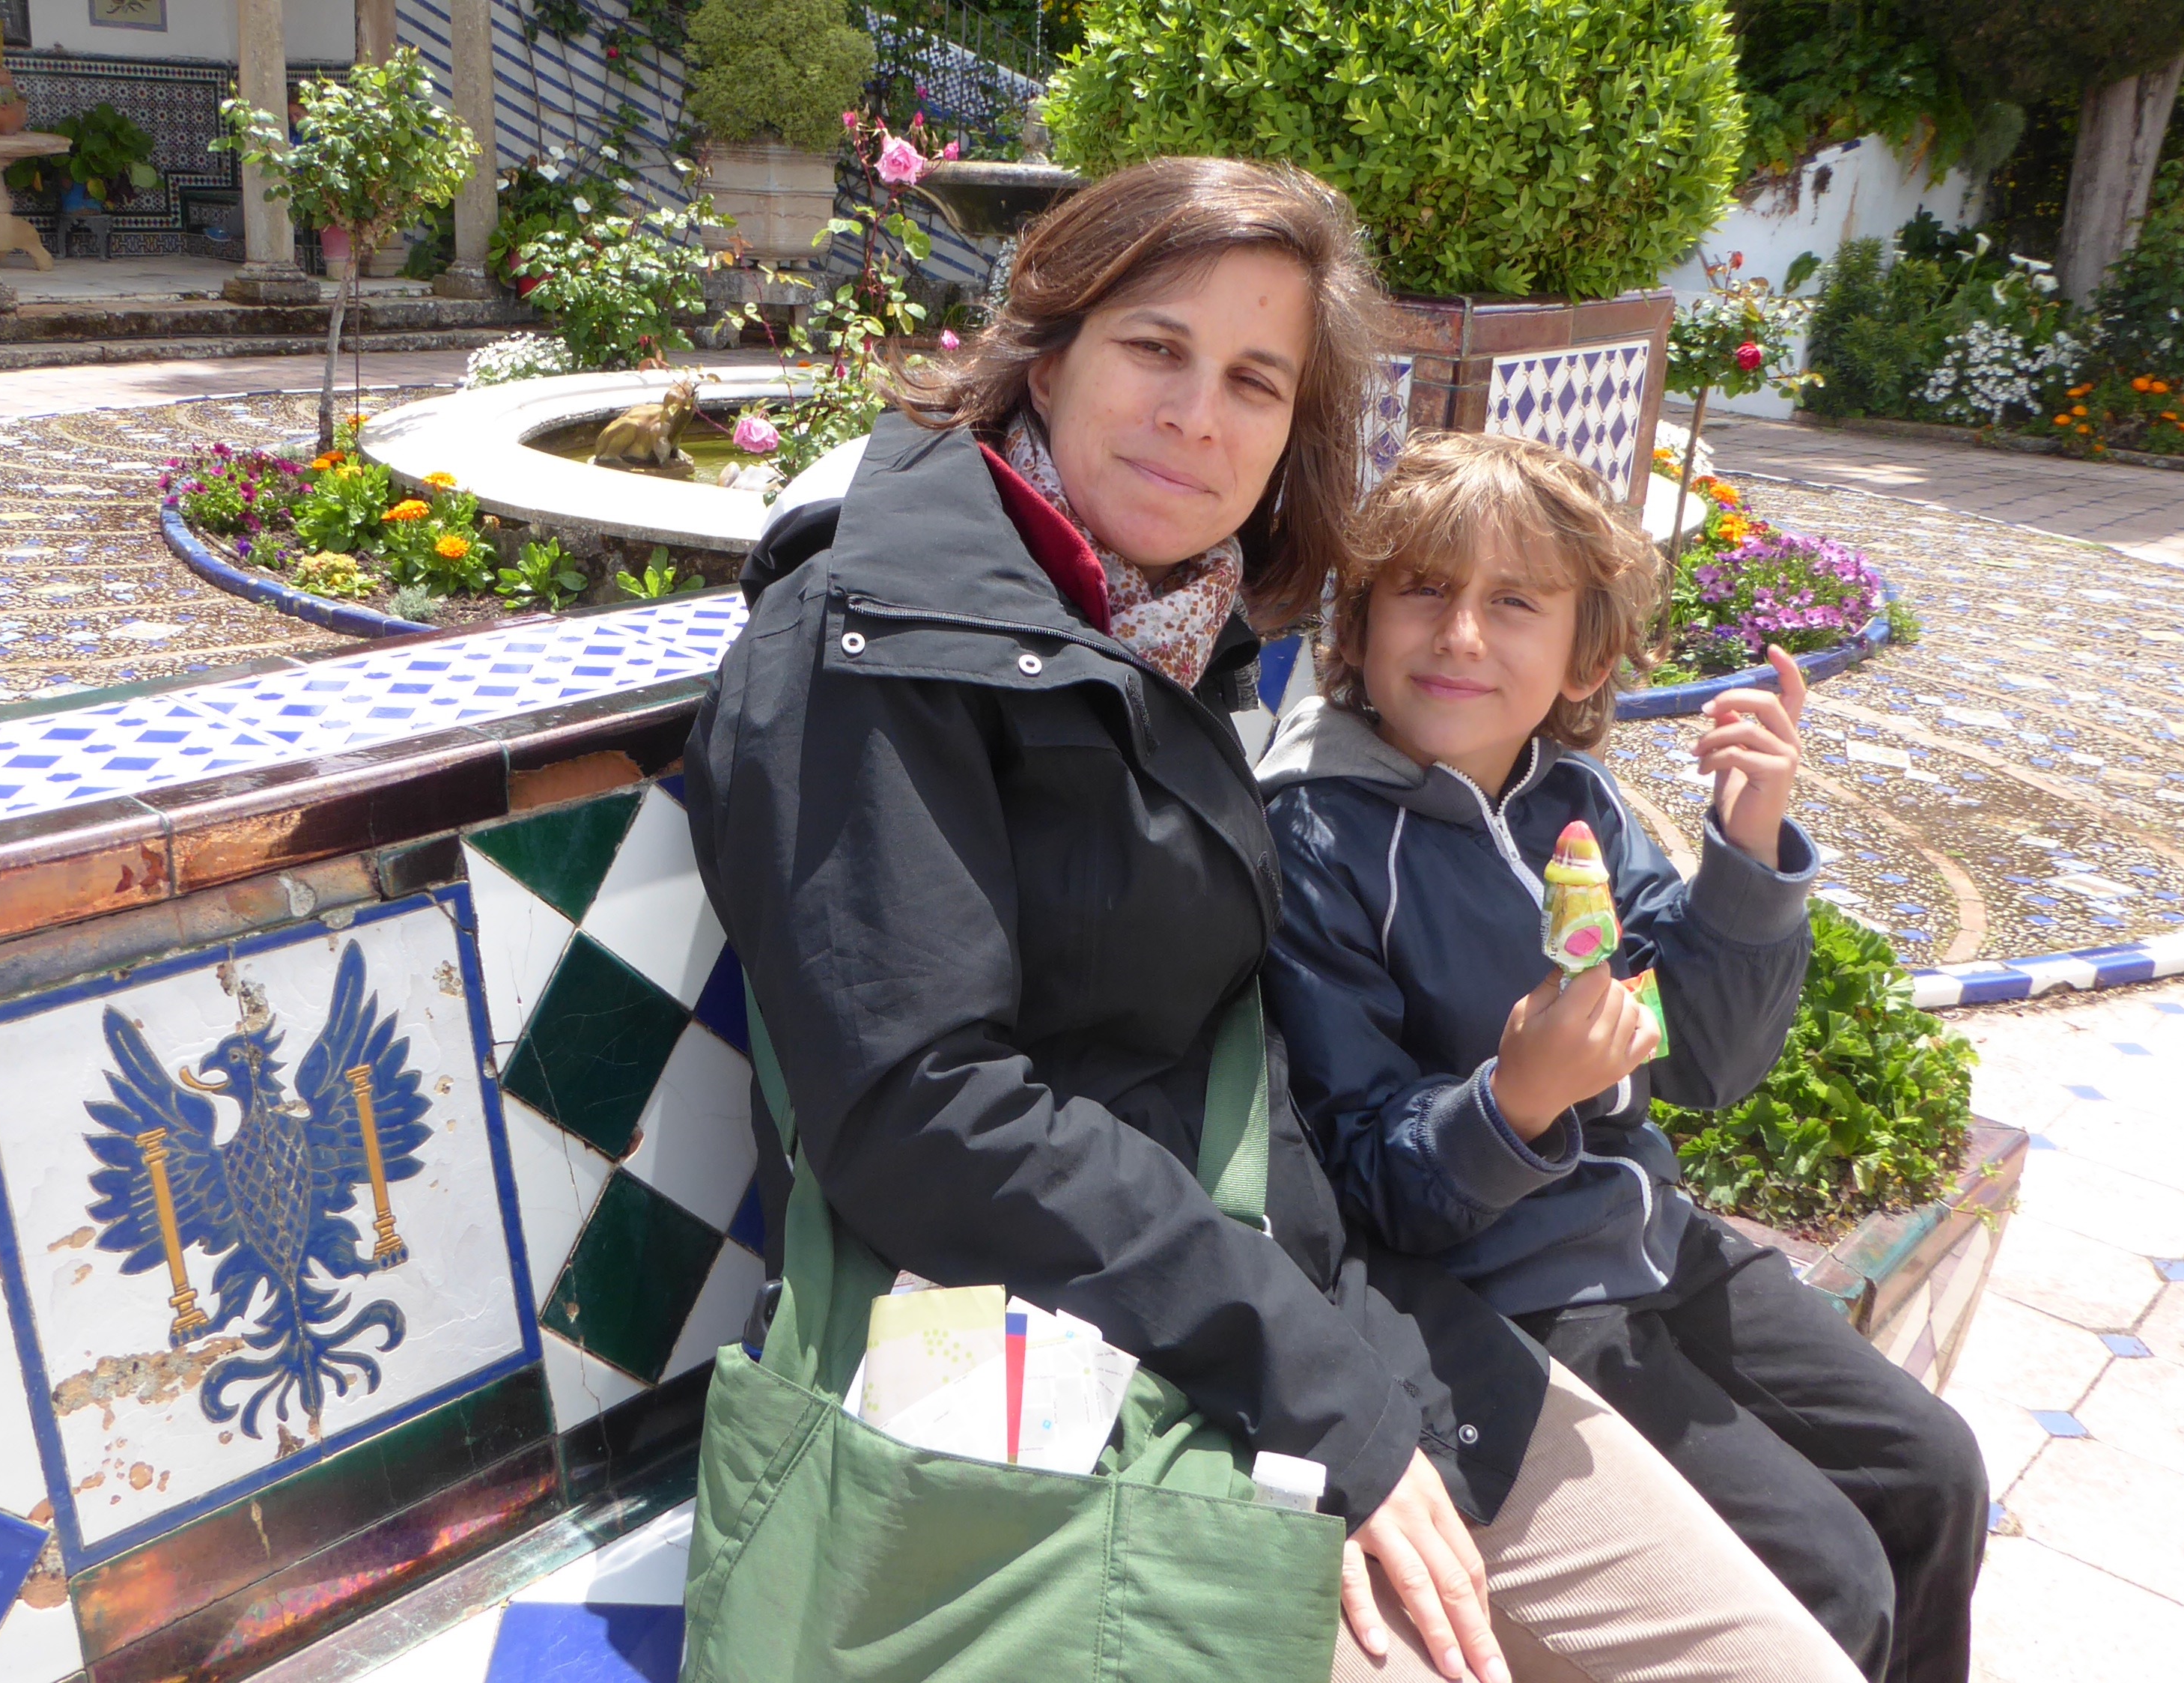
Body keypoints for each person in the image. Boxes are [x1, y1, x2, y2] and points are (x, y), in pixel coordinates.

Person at [686, 154, 1867, 1682]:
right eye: (1154, 347)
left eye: (1255, 380)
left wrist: (1353, 1345)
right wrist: (1322, 1384)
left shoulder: (1168, 628)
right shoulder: (871, 639)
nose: (1199, 416)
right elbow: (923, 1112)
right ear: (1045, 356)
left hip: (1316, 1308)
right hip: (1049, 1343)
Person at [1255, 430, 1988, 1682]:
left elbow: (1709, 1062)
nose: (1460, 635)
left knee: (1934, 1472)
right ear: (1360, 624)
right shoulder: (1319, 838)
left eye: (1514, 603)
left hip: (1655, 1241)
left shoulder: (1571, 802)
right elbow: (1363, 1180)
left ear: (1586, 653)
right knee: (1828, 1577)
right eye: (1422, 590)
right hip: (1516, 1294)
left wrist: (1748, 855)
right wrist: (1514, 1103)